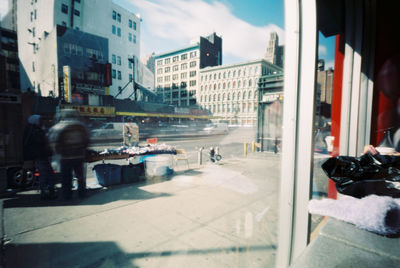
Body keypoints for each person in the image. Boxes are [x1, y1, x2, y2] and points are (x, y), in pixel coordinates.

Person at [49, 109, 90, 200]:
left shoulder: (59, 127)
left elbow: (54, 142)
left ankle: (67, 195)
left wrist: (58, 152)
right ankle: (82, 192)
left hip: (65, 157)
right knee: (80, 176)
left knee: (66, 177)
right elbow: (87, 140)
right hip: (79, 156)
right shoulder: (80, 126)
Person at [23, 115, 57, 200]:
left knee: (45, 174)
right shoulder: (34, 131)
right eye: (40, 120)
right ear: (35, 121)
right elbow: (40, 142)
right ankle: (47, 191)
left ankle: (45, 191)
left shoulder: (32, 129)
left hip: (39, 155)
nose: (42, 122)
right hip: (41, 155)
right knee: (47, 174)